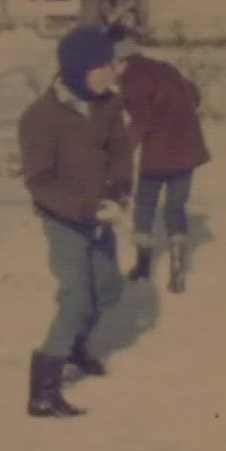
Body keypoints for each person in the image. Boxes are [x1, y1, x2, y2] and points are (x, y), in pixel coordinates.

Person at [17, 25, 134, 418]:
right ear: (80, 69)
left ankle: (75, 347)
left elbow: (120, 150)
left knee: (108, 289)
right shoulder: (40, 118)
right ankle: (43, 392)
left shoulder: (107, 105)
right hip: (65, 222)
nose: (114, 73)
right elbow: (39, 182)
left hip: (100, 216)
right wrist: (85, 211)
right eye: (104, 66)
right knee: (77, 299)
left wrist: (119, 191)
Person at [107, 29, 211, 292]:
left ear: (121, 60)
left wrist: (121, 153)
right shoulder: (164, 67)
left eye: (111, 65)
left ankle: (143, 266)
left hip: (159, 153)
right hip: (188, 148)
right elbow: (194, 95)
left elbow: (141, 120)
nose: (110, 72)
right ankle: (177, 263)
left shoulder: (132, 79)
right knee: (175, 207)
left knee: (144, 205)